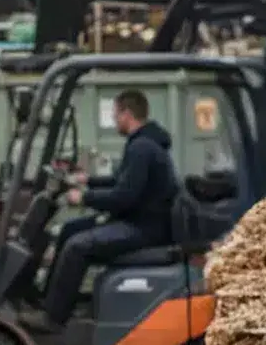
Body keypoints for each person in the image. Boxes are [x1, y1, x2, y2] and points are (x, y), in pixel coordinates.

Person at [31, 89, 179, 330]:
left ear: (127, 114)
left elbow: (124, 197)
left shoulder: (141, 148)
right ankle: (49, 302)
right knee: (70, 230)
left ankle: (53, 319)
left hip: (144, 229)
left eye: (115, 114)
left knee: (77, 247)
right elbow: (122, 181)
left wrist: (84, 198)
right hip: (140, 221)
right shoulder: (145, 143)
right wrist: (86, 180)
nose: (114, 120)